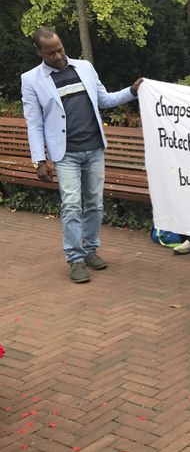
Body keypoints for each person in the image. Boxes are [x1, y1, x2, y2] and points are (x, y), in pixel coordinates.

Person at [21, 28, 143, 283]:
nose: (57, 56)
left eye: (60, 49)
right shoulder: (31, 80)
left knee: (95, 204)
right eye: (50, 52)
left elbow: (105, 100)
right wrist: (39, 160)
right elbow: (34, 123)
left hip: (94, 148)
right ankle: (75, 259)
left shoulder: (84, 67)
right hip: (65, 154)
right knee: (72, 205)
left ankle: (90, 250)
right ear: (39, 52)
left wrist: (132, 91)